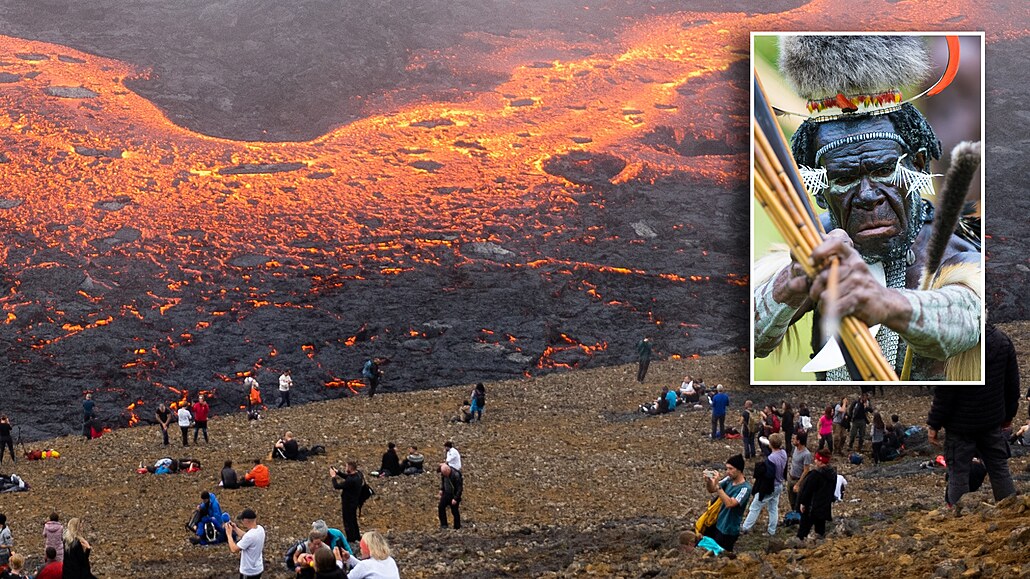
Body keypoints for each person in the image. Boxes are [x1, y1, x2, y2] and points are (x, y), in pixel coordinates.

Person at [753, 35, 982, 382]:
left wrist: (885, 303)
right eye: (844, 178)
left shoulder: (955, 248)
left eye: (881, 172)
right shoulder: (811, 245)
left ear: (918, 165)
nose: (867, 196)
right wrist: (792, 282)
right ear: (819, 189)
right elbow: (748, 336)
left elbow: (970, 317)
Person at [928, 323, 1019, 506]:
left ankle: (959, 518)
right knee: (999, 468)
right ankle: (1009, 509)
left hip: (960, 427)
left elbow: (946, 392)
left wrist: (934, 424)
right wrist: (1008, 415)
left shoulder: (955, 343)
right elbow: (1012, 385)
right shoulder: (1002, 341)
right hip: (991, 422)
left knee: (958, 473)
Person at [702, 454, 752, 552]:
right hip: (718, 523)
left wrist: (718, 487)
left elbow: (730, 504)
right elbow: (712, 489)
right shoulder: (729, 480)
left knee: (721, 554)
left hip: (729, 529)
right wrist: (709, 481)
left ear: (739, 470)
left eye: (730, 469)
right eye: (727, 469)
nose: (727, 472)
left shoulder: (745, 488)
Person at [741, 432, 788, 536]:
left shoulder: (771, 458)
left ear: (771, 444)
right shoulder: (783, 453)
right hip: (779, 485)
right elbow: (775, 450)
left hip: (770, 486)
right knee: (773, 508)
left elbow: (769, 474)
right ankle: (771, 531)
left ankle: (745, 528)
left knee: (755, 506)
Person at [797, 449, 837, 540]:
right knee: (820, 531)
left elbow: (807, 491)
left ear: (820, 461)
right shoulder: (832, 473)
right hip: (824, 507)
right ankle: (820, 545)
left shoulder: (815, 475)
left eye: (816, 459)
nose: (814, 461)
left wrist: (802, 503)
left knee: (803, 531)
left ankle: (797, 547)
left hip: (812, 507)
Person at [225, 508, 265, 579]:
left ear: (246, 521)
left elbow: (234, 549)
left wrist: (229, 534)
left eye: (242, 520)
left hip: (249, 572)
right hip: (258, 568)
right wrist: (235, 528)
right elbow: (247, 536)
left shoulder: (249, 536)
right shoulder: (260, 529)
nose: (242, 522)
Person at [330, 462, 364, 543]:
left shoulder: (351, 481)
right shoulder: (359, 474)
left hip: (348, 502)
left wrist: (333, 477)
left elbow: (337, 486)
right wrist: (338, 472)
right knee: (353, 520)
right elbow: (348, 477)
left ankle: (351, 539)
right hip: (355, 501)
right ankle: (357, 536)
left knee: (348, 521)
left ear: (350, 468)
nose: (345, 468)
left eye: (346, 467)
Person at [787, 432, 813, 514]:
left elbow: (806, 470)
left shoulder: (806, 454)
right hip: (790, 477)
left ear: (799, 441)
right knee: (791, 500)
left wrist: (798, 484)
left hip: (798, 480)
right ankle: (794, 514)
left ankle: (799, 517)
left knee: (799, 502)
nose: (792, 440)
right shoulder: (795, 449)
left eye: (794, 439)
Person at [438, 463, 463, 529]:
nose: (444, 475)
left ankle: (457, 527)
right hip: (446, 493)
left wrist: (455, 498)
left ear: (448, 470)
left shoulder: (456, 475)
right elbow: (443, 482)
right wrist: (442, 489)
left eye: (445, 473)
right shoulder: (444, 474)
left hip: (454, 495)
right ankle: (444, 525)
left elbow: (459, 489)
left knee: (454, 511)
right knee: (441, 507)